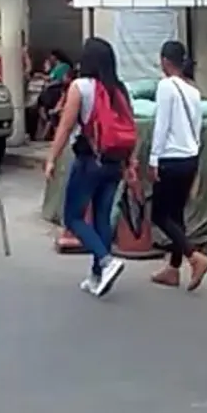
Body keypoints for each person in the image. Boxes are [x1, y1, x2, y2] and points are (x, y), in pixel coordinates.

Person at [44, 37, 136, 297]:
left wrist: (52, 157)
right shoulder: (120, 89)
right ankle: (97, 276)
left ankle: (106, 261)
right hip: (114, 162)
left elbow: (65, 127)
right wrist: (130, 163)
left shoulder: (80, 87)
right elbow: (129, 127)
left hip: (89, 161)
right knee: (101, 218)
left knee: (73, 217)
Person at [147, 40, 207, 291]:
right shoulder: (193, 91)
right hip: (190, 158)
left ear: (165, 61)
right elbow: (197, 130)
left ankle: (193, 256)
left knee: (160, 215)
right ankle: (173, 269)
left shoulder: (166, 86)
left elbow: (161, 125)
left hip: (170, 159)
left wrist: (154, 159)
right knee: (176, 214)